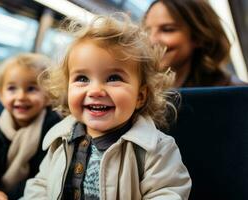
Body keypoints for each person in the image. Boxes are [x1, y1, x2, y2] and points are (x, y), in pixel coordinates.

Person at [22, 13, 191, 200]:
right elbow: (41, 185)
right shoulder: (60, 140)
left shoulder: (155, 149)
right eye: (82, 79)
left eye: (113, 78)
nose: (95, 91)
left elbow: (167, 193)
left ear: (140, 96)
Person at [0, 53, 62, 200]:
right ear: (1, 95)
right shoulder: (0, 125)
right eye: (12, 88)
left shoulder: (54, 128)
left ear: (48, 96)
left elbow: (42, 178)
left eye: (31, 89)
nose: (21, 96)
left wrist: (6, 196)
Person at [144, 0, 247, 87]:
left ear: (198, 37)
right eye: (147, 31)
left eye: (167, 29)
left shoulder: (236, 93)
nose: (151, 40)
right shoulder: (142, 91)